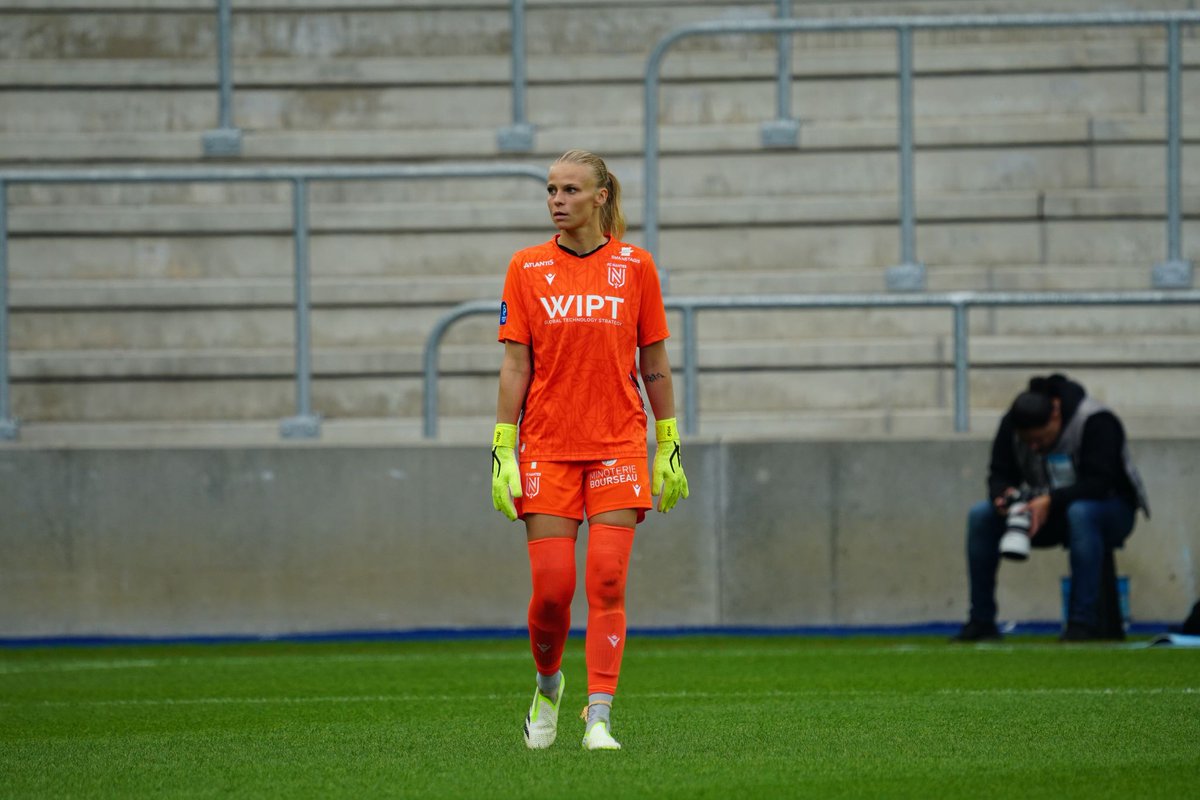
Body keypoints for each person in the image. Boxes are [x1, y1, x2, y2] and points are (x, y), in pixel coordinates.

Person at [490, 149, 689, 751]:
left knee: (606, 581)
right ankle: (548, 689)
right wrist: (503, 445)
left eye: (570, 190)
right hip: (547, 447)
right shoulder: (525, 268)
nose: (556, 200)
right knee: (552, 590)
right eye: (551, 190)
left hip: (618, 446)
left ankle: (598, 716)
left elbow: (652, 359)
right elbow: (515, 362)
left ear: (601, 197)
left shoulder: (636, 267)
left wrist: (668, 440)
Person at [952, 373, 1150, 643]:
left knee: (1081, 513)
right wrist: (1002, 496)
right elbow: (999, 472)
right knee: (981, 516)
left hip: (1110, 511)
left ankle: (1082, 623)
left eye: (1040, 440)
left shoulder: (1095, 420)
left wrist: (1051, 501)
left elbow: (1102, 482)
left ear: (1055, 414)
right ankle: (981, 620)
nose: (1033, 447)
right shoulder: (1012, 425)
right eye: (1028, 442)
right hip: (1044, 511)